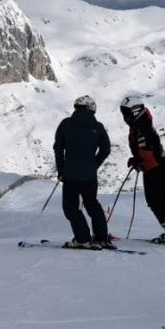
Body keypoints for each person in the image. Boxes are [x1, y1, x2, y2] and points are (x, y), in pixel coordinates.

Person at [120, 95, 165, 245]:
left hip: (154, 167)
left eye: (126, 113)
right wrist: (138, 159)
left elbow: (146, 149)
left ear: (134, 111)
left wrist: (137, 160)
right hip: (163, 163)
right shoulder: (143, 123)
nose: (125, 118)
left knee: (155, 200)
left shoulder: (140, 126)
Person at [54, 95, 112, 249]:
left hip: (70, 175)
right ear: (92, 109)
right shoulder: (98, 126)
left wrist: (61, 170)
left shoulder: (66, 124)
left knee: (71, 207)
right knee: (92, 204)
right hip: (90, 177)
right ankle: (101, 238)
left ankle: (82, 239)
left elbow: (58, 148)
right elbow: (106, 149)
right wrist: (94, 164)